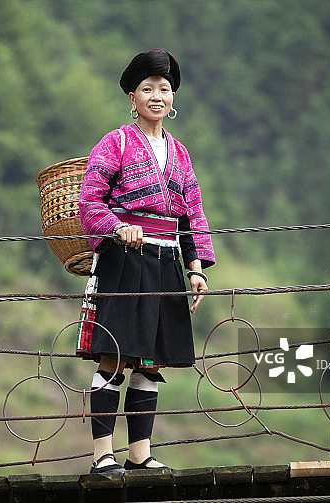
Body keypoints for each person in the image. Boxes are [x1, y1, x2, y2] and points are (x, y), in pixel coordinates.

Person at [77, 48, 216, 473]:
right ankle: (103, 455)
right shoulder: (115, 142)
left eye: (165, 89)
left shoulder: (181, 153)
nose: (157, 96)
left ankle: (140, 454)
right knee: (115, 356)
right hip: (126, 261)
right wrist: (118, 226)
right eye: (148, 89)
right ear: (132, 98)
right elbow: (88, 201)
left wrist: (194, 268)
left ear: (173, 99)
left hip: (167, 261)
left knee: (151, 362)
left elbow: (192, 214)